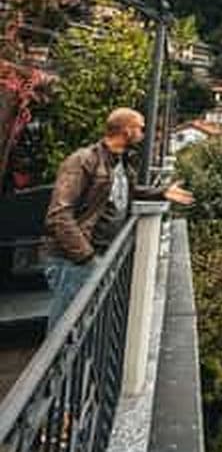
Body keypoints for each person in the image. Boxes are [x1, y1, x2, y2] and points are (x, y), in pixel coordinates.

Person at [42, 107, 193, 329]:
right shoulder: (83, 160)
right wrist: (87, 258)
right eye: (140, 128)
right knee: (64, 329)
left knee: (82, 325)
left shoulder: (121, 162)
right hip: (73, 259)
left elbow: (128, 193)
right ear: (126, 130)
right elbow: (58, 215)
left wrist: (162, 192)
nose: (144, 132)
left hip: (96, 256)